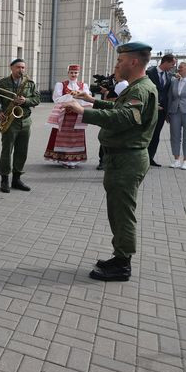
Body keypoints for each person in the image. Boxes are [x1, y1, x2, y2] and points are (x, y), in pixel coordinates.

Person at [61, 41, 158, 282]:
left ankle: (122, 265)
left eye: (120, 61)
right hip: (123, 158)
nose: (117, 65)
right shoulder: (138, 87)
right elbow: (118, 106)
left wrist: (83, 111)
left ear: (133, 62)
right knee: (117, 211)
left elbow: (123, 117)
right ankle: (120, 256)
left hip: (127, 159)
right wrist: (91, 100)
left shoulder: (140, 89)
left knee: (122, 213)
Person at [0, 59, 40, 193]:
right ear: (11, 67)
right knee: (7, 151)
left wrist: (26, 100)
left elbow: (37, 99)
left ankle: (17, 179)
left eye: (23, 67)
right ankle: (4, 179)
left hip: (25, 121)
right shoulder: (2, 83)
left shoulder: (29, 83)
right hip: (10, 121)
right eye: (18, 67)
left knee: (22, 151)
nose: (21, 70)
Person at [45, 64, 91, 168]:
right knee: (62, 137)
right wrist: (69, 96)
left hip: (77, 116)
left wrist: (79, 98)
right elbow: (56, 99)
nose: (73, 75)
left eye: (75, 73)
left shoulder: (83, 86)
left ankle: (74, 160)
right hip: (64, 116)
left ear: (78, 74)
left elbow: (87, 99)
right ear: (68, 73)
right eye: (71, 72)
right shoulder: (61, 85)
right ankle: (63, 159)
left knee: (76, 137)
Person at [146, 54, 176, 166]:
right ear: (165, 62)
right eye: (172, 64)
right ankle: (142, 158)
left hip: (162, 111)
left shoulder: (170, 76)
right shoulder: (149, 73)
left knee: (156, 135)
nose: (173, 67)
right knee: (147, 134)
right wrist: (152, 104)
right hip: (149, 109)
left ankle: (150, 158)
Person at [96, 77, 130, 170]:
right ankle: (103, 161)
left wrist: (107, 93)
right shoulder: (116, 82)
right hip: (111, 114)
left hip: (117, 114)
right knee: (106, 138)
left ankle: (108, 161)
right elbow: (109, 99)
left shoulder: (124, 84)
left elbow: (112, 99)